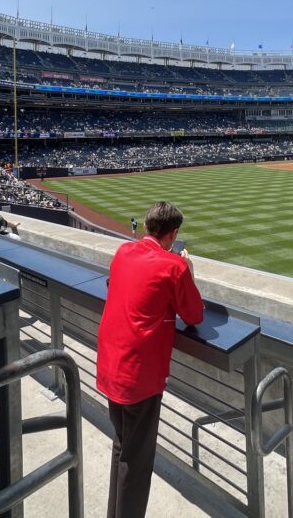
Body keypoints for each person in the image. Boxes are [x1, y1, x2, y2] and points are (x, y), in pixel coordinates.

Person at [96, 201, 204, 518]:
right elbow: (194, 315)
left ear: (146, 227)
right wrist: (190, 272)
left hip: (111, 365)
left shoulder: (122, 252)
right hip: (138, 374)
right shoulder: (175, 266)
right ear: (173, 235)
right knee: (137, 461)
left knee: (122, 446)